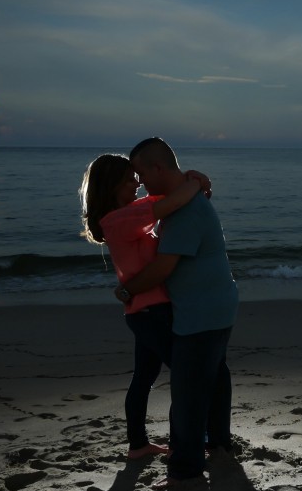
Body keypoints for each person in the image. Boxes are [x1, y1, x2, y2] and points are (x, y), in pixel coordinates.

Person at [116, 137, 238, 491]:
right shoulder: (181, 201)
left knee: (187, 392)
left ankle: (185, 470)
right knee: (213, 377)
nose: (138, 182)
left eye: (140, 173)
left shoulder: (184, 212)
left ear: (157, 168)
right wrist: (196, 181)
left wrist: (127, 291)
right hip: (215, 304)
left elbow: (163, 268)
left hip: (201, 312)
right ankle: (217, 443)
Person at [78, 153, 210, 459]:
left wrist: (193, 180)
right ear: (111, 186)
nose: (136, 183)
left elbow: (167, 195)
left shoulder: (127, 213)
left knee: (143, 379)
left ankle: (138, 444)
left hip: (144, 312)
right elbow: (171, 204)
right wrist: (193, 182)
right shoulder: (119, 219)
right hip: (152, 314)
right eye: (128, 180)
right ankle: (188, 443)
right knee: (187, 375)